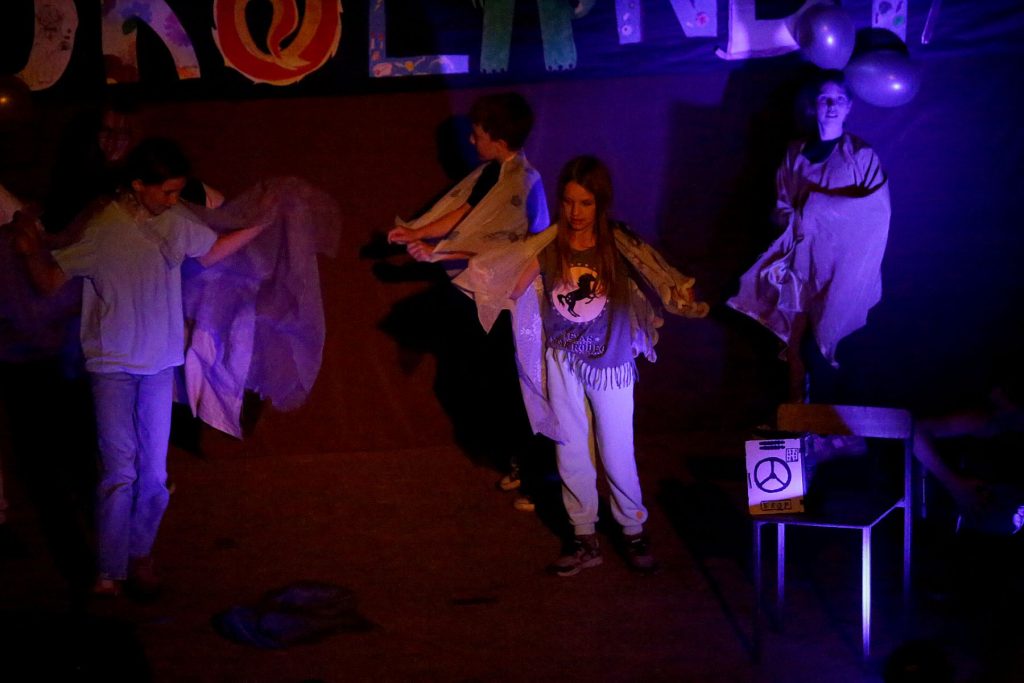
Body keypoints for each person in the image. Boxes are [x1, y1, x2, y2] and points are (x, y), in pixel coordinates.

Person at [13, 137, 270, 599]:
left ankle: (140, 553)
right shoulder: (103, 227)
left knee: (153, 475)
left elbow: (210, 252)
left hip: (158, 365)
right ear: (138, 185)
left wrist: (261, 225)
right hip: (112, 366)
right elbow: (50, 282)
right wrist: (31, 252)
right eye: (167, 191)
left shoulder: (174, 222)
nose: (173, 200)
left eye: (177, 192)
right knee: (119, 472)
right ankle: (110, 571)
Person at [512, 156, 709, 576]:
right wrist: (454, 255)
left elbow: (659, 275)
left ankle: (632, 530)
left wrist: (681, 296)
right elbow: (508, 280)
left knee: (617, 450)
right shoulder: (548, 244)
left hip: (610, 362)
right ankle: (584, 536)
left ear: (600, 203)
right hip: (563, 358)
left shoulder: (618, 242)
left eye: (585, 203)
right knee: (569, 448)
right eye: (568, 202)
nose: (575, 212)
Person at [387, 92, 550, 509]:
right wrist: (418, 233)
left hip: (517, 303)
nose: (472, 140)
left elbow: (504, 246)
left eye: (478, 134)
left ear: (499, 139)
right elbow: (464, 213)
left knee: (522, 387)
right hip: (490, 301)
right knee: (495, 385)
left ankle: (538, 476)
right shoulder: (493, 174)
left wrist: (438, 252)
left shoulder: (522, 184)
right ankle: (520, 462)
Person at [727, 70, 891, 402]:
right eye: (825, 99)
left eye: (839, 100)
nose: (831, 106)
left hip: (841, 267)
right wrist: (791, 219)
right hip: (800, 264)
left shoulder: (860, 155)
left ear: (848, 107)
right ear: (815, 105)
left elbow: (876, 210)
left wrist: (818, 209)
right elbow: (782, 204)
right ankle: (799, 416)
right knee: (794, 340)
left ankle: (837, 420)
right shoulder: (794, 153)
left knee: (830, 339)